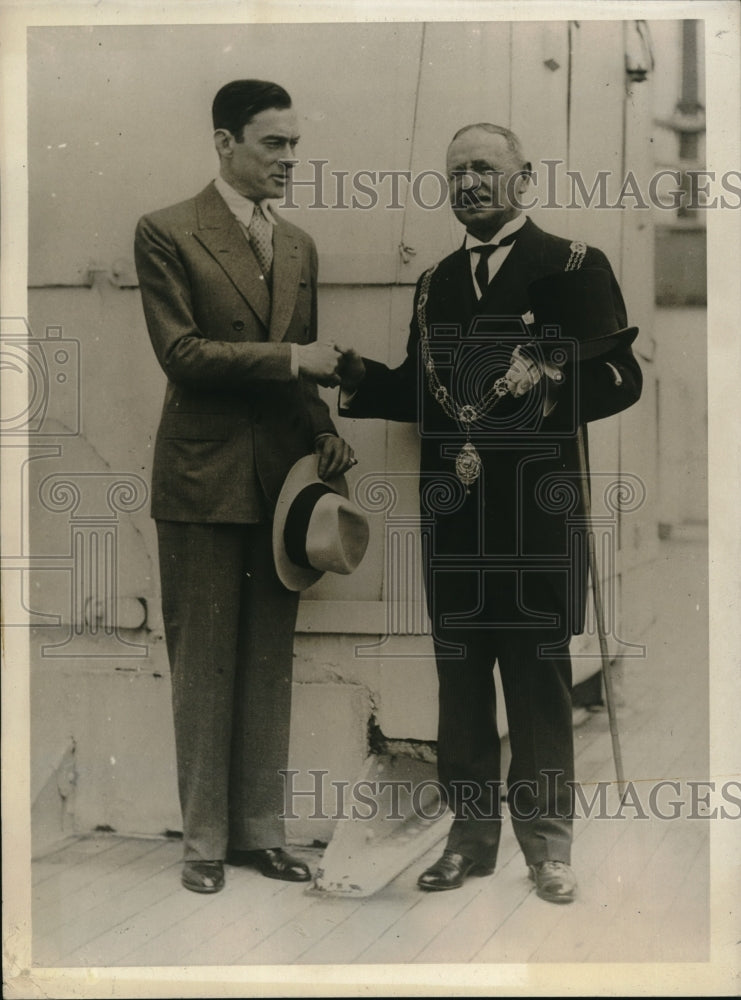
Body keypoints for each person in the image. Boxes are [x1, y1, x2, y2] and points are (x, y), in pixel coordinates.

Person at [337, 123, 642, 903]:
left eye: (483, 168)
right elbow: (419, 388)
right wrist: (357, 378)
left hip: (537, 515)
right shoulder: (435, 282)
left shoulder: (571, 265)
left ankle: (547, 850)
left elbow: (619, 379)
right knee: (461, 687)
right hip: (455, 517)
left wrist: (545, 385)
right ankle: (469, 844)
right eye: (455, 172)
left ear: (522, 178)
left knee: (538, 688)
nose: (468, 182)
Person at [134, 79, 354, 894]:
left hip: (280, 484)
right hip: (200, 478)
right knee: (203, 665)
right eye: (273, 143)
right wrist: (296, 360)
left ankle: (259, 833)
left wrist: (327, 433)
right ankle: (202, 842)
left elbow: (305, 376)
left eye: (294, 144)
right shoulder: (165, 232)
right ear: (225, 143)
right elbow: (183, 356)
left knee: (267, 661)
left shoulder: (297, 244)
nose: (288, 159)